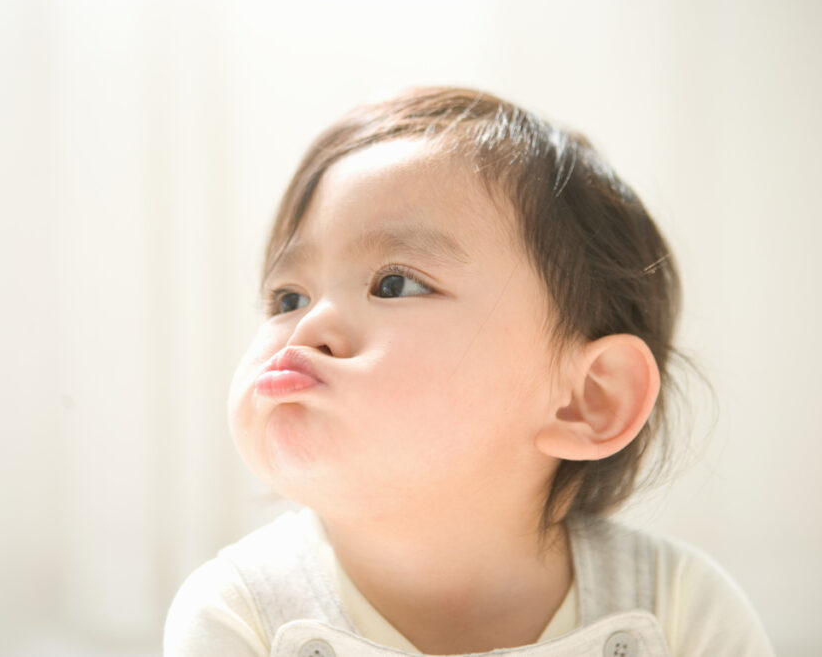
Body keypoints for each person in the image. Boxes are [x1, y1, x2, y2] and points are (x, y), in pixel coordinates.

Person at [164, 87, 775, 656]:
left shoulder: (678, 611)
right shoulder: (238, 615)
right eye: (287, 298)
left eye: (394, 283)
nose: (307, 328)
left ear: (586, 399)